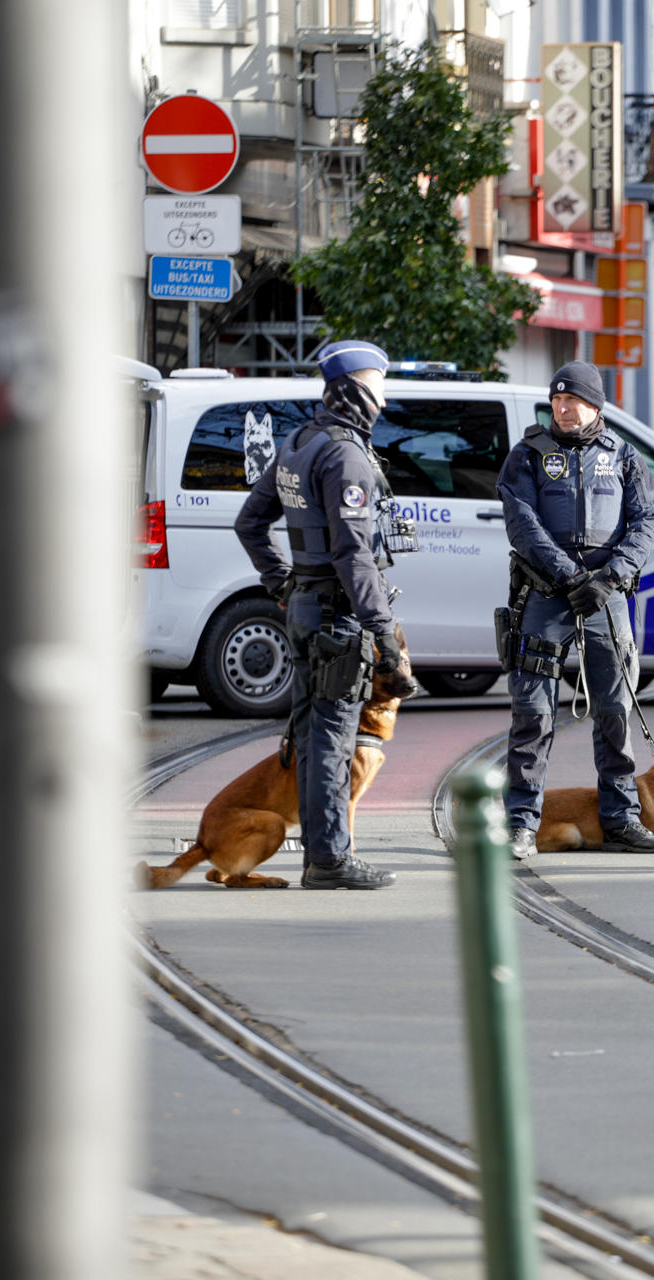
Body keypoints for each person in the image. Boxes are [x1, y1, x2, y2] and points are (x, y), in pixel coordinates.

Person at [234, 339, 420, 890]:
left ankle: (323, 857)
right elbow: (353, 554)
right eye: (379, 384)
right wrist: (384, 634)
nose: (384, 398)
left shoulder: (297, 442)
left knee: (313, 736)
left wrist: (284, 585)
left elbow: (250, 523)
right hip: (339, 621)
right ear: (360, 387)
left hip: (307, 611)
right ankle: (330, 861)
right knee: (334, 741)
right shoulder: (345, 455)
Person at [496, 361, 654, 861]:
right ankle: (522, 825)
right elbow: (522, 525)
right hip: (546, 594)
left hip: (606, 598)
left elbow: (648, 518)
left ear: (595, 405)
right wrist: (572, 579)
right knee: (533, 713)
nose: (563, 408)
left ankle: (620, 820)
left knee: (614, 711)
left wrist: (610, 577)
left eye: (573, 400)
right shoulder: (527, 456)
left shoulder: (624, 456)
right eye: (557, 400)